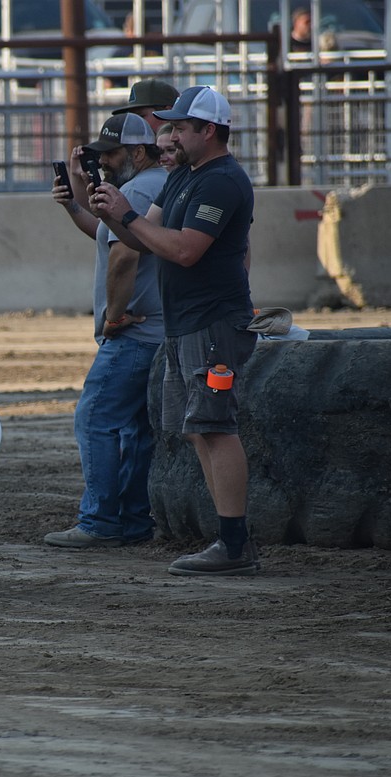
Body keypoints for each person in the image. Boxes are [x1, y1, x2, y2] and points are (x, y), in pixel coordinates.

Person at [89, 85, 258, 576]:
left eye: (181, 127)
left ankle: (234, 543)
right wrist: (111, 213)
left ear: (210, 131)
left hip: (214, 323)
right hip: (186, 324)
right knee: (199, 431)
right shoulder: (185, 174)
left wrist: (126, 214)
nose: (171, 133)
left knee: (215, 427)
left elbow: (184, 249)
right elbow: (146, 236)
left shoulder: (222, 181)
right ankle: (228, 541)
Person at [45, 113, 167, 549]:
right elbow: (105, 233)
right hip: (157, 332)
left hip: (133, 334)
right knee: (136, 430)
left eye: (111, 154)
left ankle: (98, 521)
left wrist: (114, 316)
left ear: (138, 152)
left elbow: (123, 257)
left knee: (94, 419)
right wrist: (73, 205)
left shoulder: (134, 190)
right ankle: (134, 522)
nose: (105, 163)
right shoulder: (160, 184)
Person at [111, 79, 179, 132]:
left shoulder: (186, 148)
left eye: (141, 116)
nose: (133, 123)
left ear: (166, 114)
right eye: (131, 118)